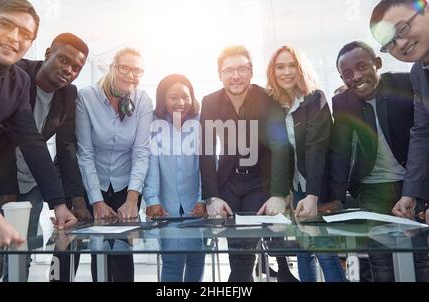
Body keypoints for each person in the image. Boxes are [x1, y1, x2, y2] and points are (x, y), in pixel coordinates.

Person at [0, 0, 77, 250]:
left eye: (25, 34)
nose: (14, 37)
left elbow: (32, 142)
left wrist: (58, 203)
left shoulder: (18, 81)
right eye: (5, 24)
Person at [331, 40, 429, 281]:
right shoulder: (342, 102)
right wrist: (334, 198)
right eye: (347, 74)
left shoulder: (406, 83)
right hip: (373, 187)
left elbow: (423, 134)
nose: (356, 77)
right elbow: (340, 153)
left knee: (421, 255)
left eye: (362, 67)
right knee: (379, 258)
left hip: (412, 183)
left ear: (377, 63)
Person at [265, 45, 346, 282]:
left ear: (302, 70)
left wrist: (313, 195)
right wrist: (282, 192)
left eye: (293, 66)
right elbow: (278, 149)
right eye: (280, 67)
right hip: (296, 186)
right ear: (273, 71)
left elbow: (316, 148)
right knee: (303, 248)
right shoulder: (275, 103)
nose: (287, 72)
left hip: (317, 183)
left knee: (323, 248)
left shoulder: (315, 98)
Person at [76, 47, 153, 282]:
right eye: (124, 68)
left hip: (126, 185)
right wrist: (96, 201)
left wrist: (132, 200)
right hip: (93, 182)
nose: (131, 75)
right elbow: (85, 153)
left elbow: (141, 152)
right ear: (112, 67)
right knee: (98, 249)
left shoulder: (142, 100)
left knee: (122, 251)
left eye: (137, 70)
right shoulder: (86, 96)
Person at [200, 45, 273, 282]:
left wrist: (280, 191)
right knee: (235, 248)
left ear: (251, 71)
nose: (236, 75)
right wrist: (211, 196)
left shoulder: (266, 97)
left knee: (246, 245)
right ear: (220, 74)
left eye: (242, 69)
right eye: (229, 70)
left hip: (258, 181)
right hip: (228, 182)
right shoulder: (210, 102)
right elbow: (206, 151)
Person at [370, 0, 429, 226]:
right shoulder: (418, 73)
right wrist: (410, 193)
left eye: (402, 29)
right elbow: (422, 133)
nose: (401, 44)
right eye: (390, 43)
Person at [144, 74, 206, 282]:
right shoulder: (154, 123)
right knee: (171, 261)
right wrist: (152, 200)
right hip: (166, 203)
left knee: (197, 259)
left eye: (185, 97)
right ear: (163, 99)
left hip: (195, 203)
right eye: (173, 97)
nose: (181, 102)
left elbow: (207, 163)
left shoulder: (200, 121)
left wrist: (203, 198)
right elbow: (151, 164)